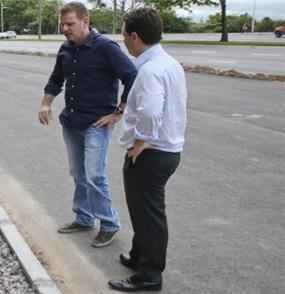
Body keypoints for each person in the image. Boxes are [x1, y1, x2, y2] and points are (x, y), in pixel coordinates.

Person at [39, 2, 137, 248]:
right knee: (78, 173)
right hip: (72, 122)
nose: (65, 29)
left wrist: (120, 111)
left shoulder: (105, 48)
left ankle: (109, 223)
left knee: (95, 175)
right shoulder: (65, 49)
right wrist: (46, 104)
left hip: (97, 123)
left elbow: (132, 76)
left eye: (70, 24)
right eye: (62, 24)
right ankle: (84, 218)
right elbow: (56, 79)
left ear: (86, 21)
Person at [108, 7, 187, 292]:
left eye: (125, 35)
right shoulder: (169, 63)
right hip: (166, 149)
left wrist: (142, 139)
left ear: (136, 36)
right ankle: (138, 257)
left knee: (149, 216)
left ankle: (149, 275)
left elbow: (152, 110)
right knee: (143, 211)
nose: (124, 41)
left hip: (152, 153)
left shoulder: (151, 70)